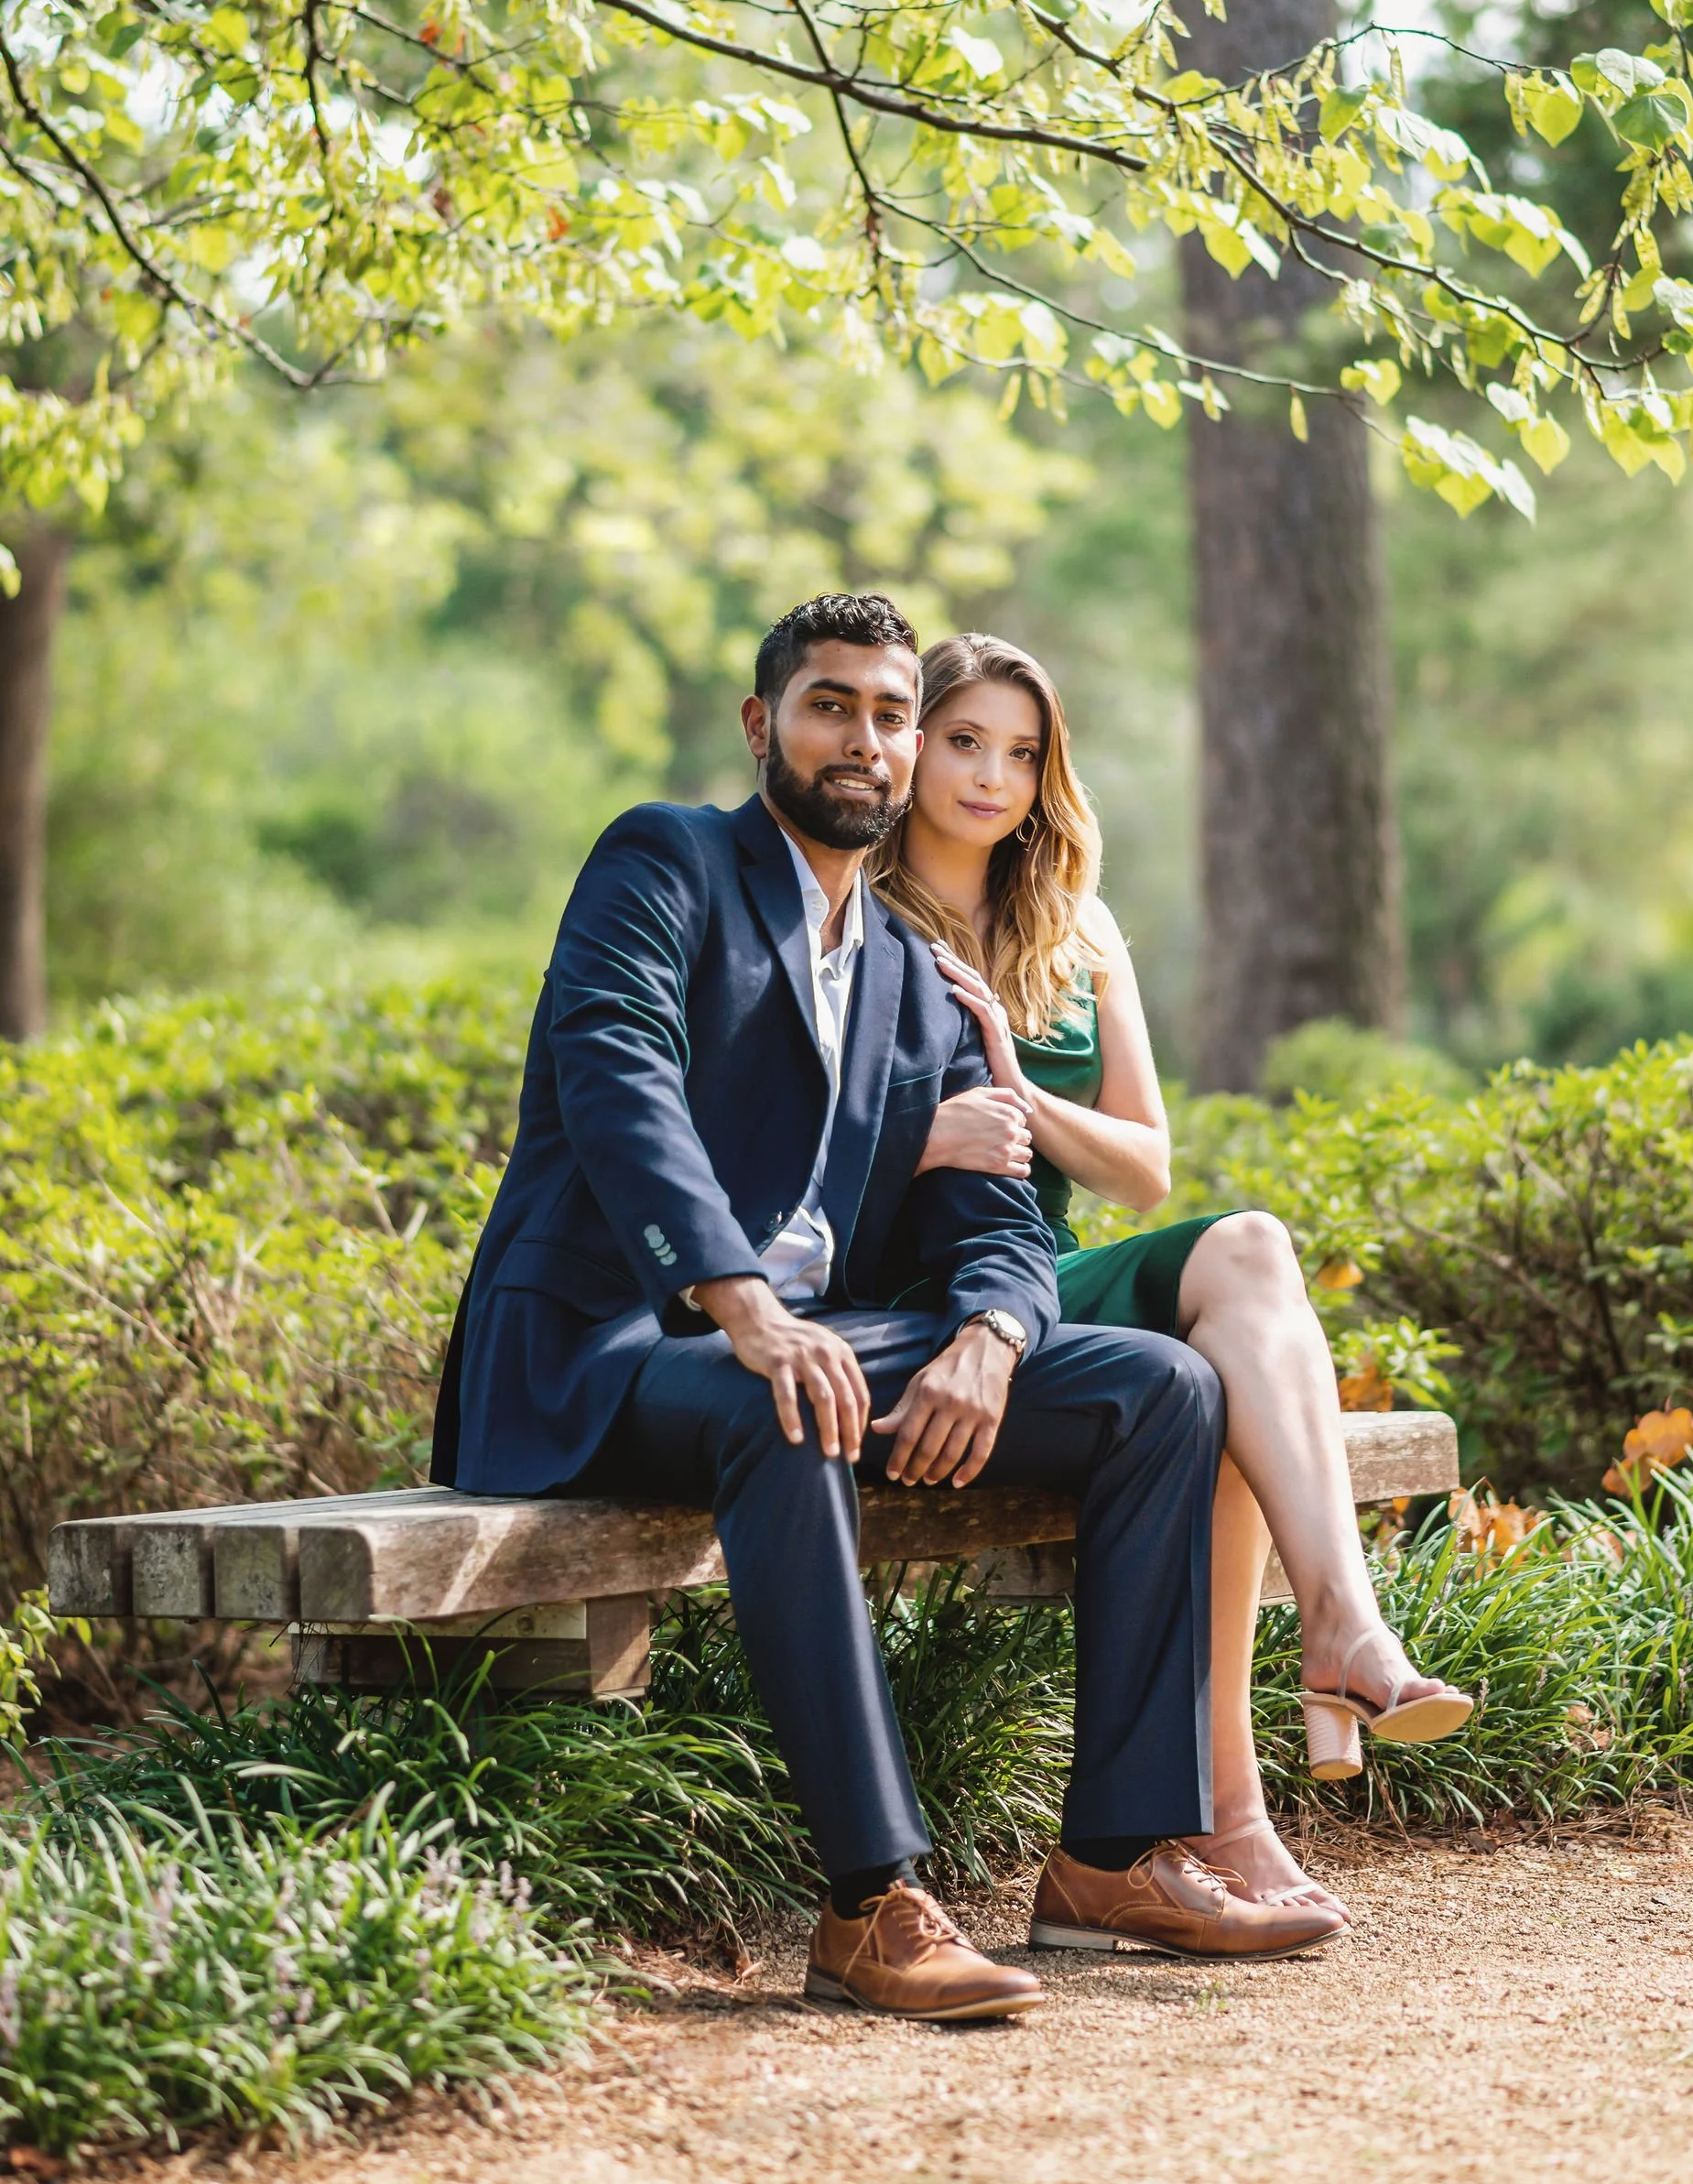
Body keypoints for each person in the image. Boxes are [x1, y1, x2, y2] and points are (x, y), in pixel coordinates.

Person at [433, 592, 1329, 2024]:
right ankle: (872, 1902)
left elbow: (990, 1212)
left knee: (1156, 1390)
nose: (866, 739)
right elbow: (621, 1092)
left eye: (891, 714)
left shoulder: (916, 977)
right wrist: (740, 1302)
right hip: (614, 1348)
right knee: (791, 1394)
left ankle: (1110, 1856)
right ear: (762, 725)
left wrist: (993, 1335)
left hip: (822, 1338)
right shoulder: (663, 864)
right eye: (831, 705)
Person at [872, 632, 1475, 1940]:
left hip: (1052, 1273)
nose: (991, 776)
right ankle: (1244, 1804)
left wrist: (1020, 1094)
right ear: (911, 742)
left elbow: (1144, 1168)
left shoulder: (1072, 926)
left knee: (1247, 1247)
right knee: (1205, 1388)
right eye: (965, 740)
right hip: (922, 1293)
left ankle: (1341, 1632)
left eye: (1022, 753)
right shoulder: (859, 909)